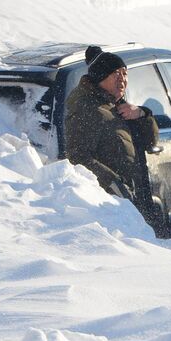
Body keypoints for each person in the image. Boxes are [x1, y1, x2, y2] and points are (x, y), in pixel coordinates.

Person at [65, 46, 162, 226]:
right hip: (109, 207)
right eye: (116, 74)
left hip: (133, 198)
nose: (123, 80)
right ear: (101, 76)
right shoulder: (88, 110)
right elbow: (78, 157)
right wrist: (114, 184)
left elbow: (151, 142)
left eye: (125, 74)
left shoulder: (117, 107)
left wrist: (142, 114)